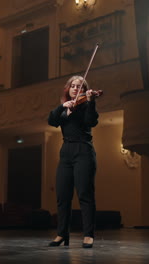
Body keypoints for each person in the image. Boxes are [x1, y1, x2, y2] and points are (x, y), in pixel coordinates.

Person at [47, 75, 99, 248]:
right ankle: (62, 234)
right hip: (66, 153)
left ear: (84, 90)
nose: (76, 89)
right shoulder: (63, 109)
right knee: (62, 197)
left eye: (80, 86)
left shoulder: (85, 106)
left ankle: (88, 235)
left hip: (83, 150)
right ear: (68, 89)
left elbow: (91, 121)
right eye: (73, 86)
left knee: (85, 195)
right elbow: (51, 120)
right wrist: (62, 105)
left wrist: (91, 102)